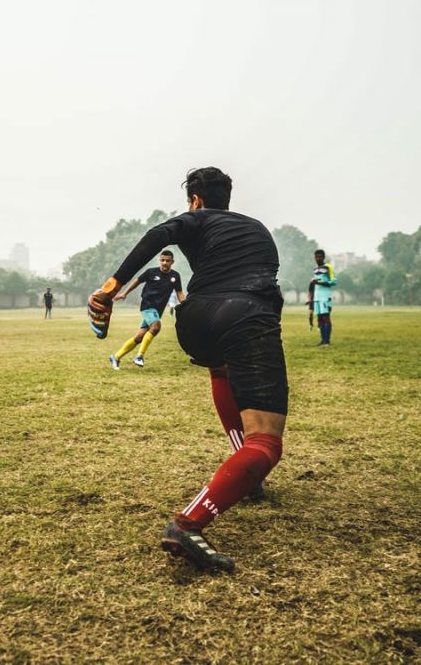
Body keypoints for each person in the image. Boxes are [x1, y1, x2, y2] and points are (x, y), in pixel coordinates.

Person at [87, 167, 287, 572]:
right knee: (265, 444)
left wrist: (109, 288)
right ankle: (188, 523)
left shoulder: (195, 219)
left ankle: (244, 474)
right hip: (247, 314)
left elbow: (158, 235)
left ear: (194, 200)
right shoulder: (257, 228)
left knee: (221, 369)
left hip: (195, 320)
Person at [108, 250, 184, 369]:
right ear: (159, 260)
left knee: (139, 337)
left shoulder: (175, 276)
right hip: (147, 306)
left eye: (167, 261)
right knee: (156, 326)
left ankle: (116, 357)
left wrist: (185, 305)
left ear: (172, 262)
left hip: (157, 310)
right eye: (162, 260)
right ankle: (139, 356)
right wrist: (125, 293)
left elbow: (179, 292)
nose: (164, 263)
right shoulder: (151, 272)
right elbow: (137, 281)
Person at [308, 249, 336, 346]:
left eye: (320, 256)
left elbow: (333, 282)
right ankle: (322, 340)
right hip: (317, 297)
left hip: (325, 297)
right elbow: (314, 284)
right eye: (316, 257)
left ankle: (327, 341)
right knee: (319, 318)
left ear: (323, 257)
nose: (318, 258)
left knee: (326, 317)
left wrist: (319, 282)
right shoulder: (315, 269)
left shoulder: (328, 267)